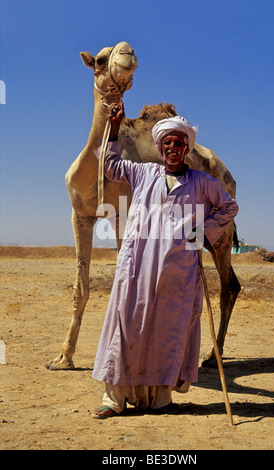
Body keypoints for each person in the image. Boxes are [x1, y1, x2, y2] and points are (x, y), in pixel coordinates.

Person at [92, 102, 238, 419]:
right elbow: (110, 165)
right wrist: (114, 129)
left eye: (179, 143)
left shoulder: (203, 183)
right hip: (136, 268)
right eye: (167, 143)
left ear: (186, 148)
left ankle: (158, 400)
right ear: (160, 147)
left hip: (179, 273)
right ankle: (113, 399)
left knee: (166, 332)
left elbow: (228, 208)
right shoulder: (143, 173)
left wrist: (205, 231)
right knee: (125, 326)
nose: (173, 148)